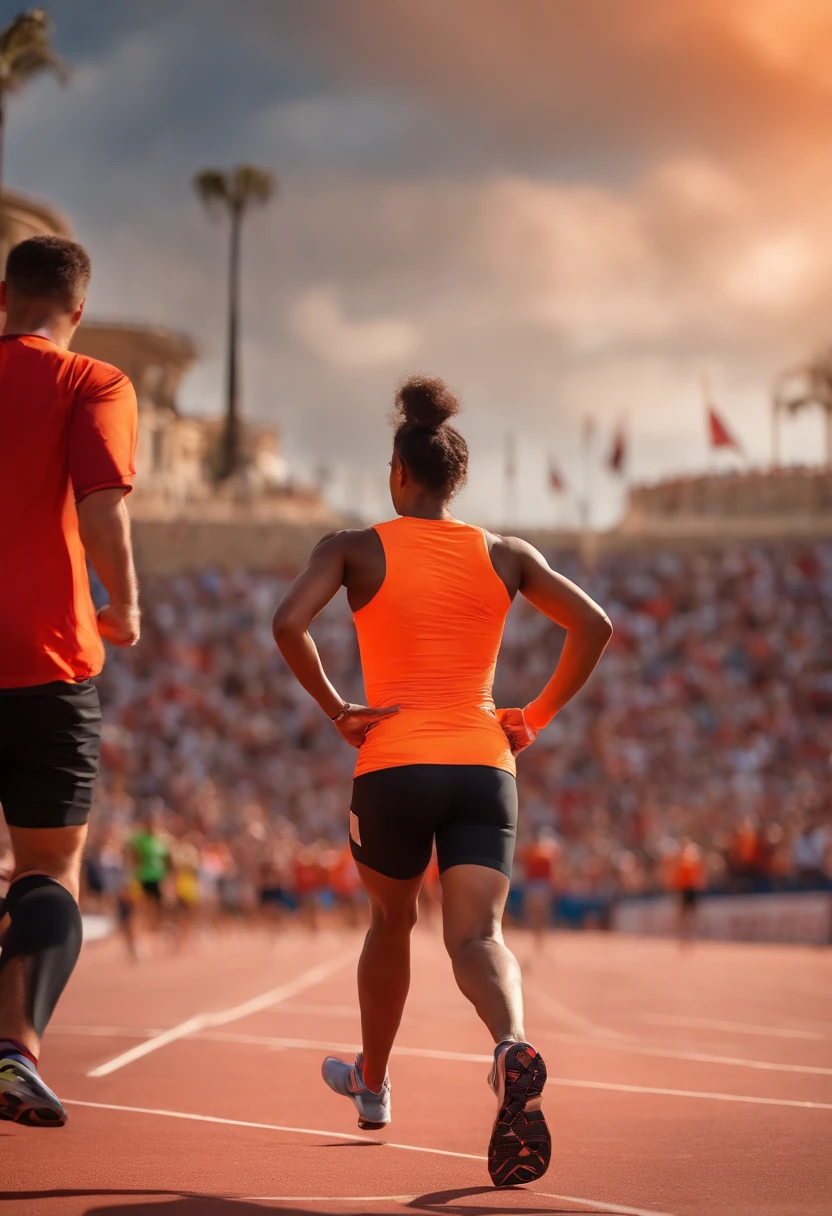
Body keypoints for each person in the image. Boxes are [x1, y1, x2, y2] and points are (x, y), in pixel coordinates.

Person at [273, 375, 612, 1187]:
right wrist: (536, 715)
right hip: (483, 762)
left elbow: (288, 624)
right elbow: (595, 625)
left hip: (393, 760)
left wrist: (336, 709)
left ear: (398, 472)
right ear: (456, 480)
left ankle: (375, 1086)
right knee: (477, 937)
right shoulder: (506, 554)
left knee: (391, 925)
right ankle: (508, 1046)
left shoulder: (352, 546)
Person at [0, 236, 140, 1126]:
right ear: (77, 309)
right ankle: (14, 1049)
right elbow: (101, 509)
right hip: (47, 661)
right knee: (48, 868)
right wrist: (123, 605)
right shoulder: (94, 382)